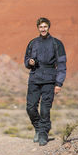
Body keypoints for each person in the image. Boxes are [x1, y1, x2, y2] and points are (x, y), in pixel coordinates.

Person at [24, 17, 66, 146]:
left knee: (45, 109)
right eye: (41, 27)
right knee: (30, 107)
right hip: (34, 78)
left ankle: (43, 133)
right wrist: (29, 62)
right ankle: (37, 127)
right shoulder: (32, 43)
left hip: (49, 80)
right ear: (38, 28)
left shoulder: (56, 43)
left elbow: (62, 64)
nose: (43, 29)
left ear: (49, 27)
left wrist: (59, 83)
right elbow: (26, 59)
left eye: (45, 27)